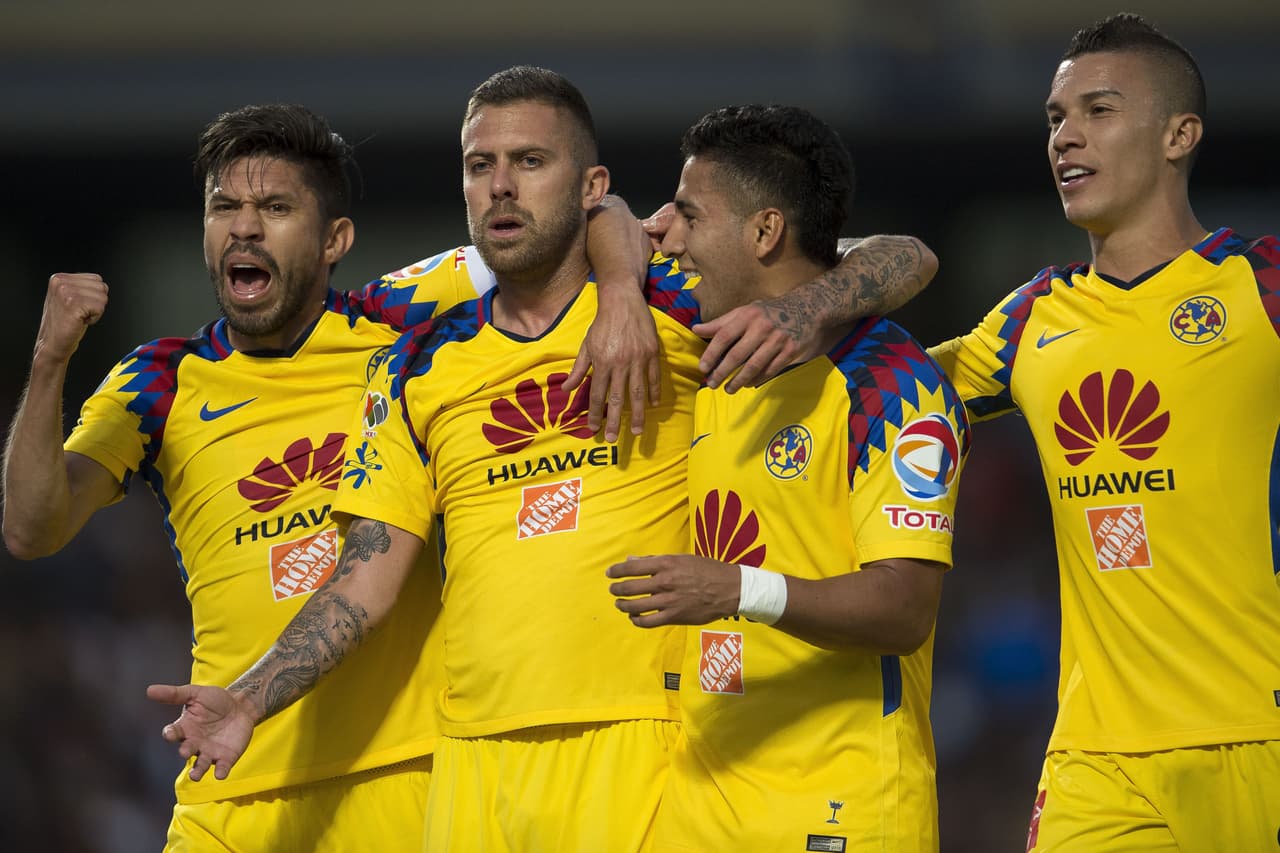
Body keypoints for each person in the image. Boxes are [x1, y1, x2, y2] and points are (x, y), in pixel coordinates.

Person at [145, 67, 939, 853]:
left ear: (591, 184)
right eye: (479, 165)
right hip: (470, 761)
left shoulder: (682, 302)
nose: (500, 187)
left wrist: (794, 308)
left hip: (643, 748)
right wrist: (248, 699)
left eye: (529, 162)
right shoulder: (414, 366)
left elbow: (901, 256)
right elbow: (364, 578)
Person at [0, 102, 665, 852]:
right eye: (226, 208)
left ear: (334, 239)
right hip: (231, 783)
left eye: (276, 207)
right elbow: (30, 527)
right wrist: (49, 361)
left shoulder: (399, 322)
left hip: (403, 776)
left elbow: (592, 210)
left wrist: (617, 293)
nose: (244, 228)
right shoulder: (156, 381)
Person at [924, 13, 1280, 851]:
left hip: (1257, 732)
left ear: (1178, 134)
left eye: (1099, 110)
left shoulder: (1258, 286)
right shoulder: (1028, 320)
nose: (1065, 137)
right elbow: (877, 386)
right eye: (1055, 118)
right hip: (1096, 757)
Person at [606, 104, 970, 852]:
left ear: (765, 231)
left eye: (689, 214)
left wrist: (736, 590)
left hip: (841, 807)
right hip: (699, 809)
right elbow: (596, 211)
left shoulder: (890, 380)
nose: (666, 233)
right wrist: (620, 271)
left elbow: (905, 608)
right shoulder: (699, 344)